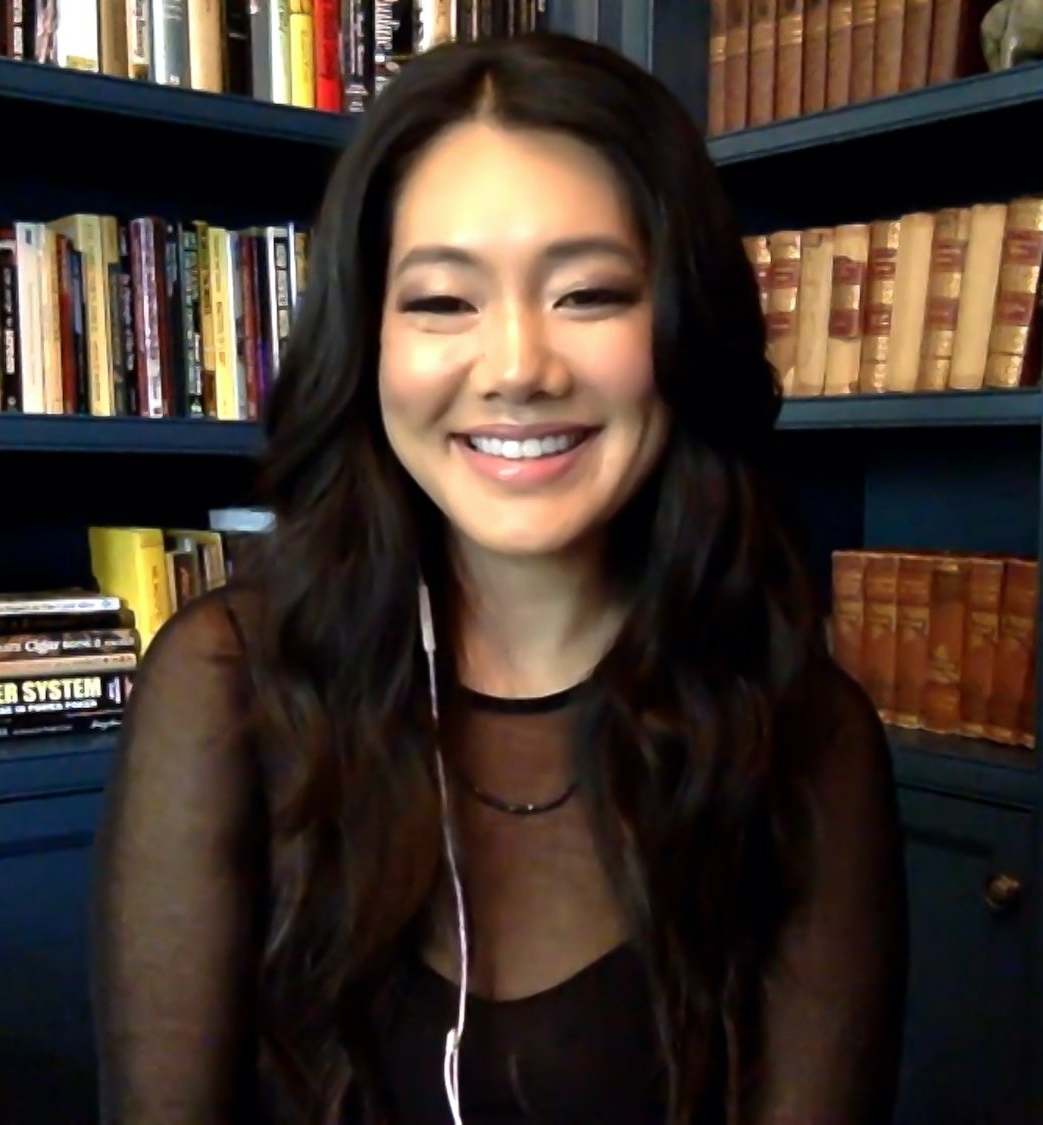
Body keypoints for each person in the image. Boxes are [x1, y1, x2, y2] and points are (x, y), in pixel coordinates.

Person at [90, 30, 908, 1124]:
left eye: (589, 294)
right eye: (441, 302)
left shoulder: (808, 736)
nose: (518, 366)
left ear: (679, 328)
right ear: (365, 345)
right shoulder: (226, 688)